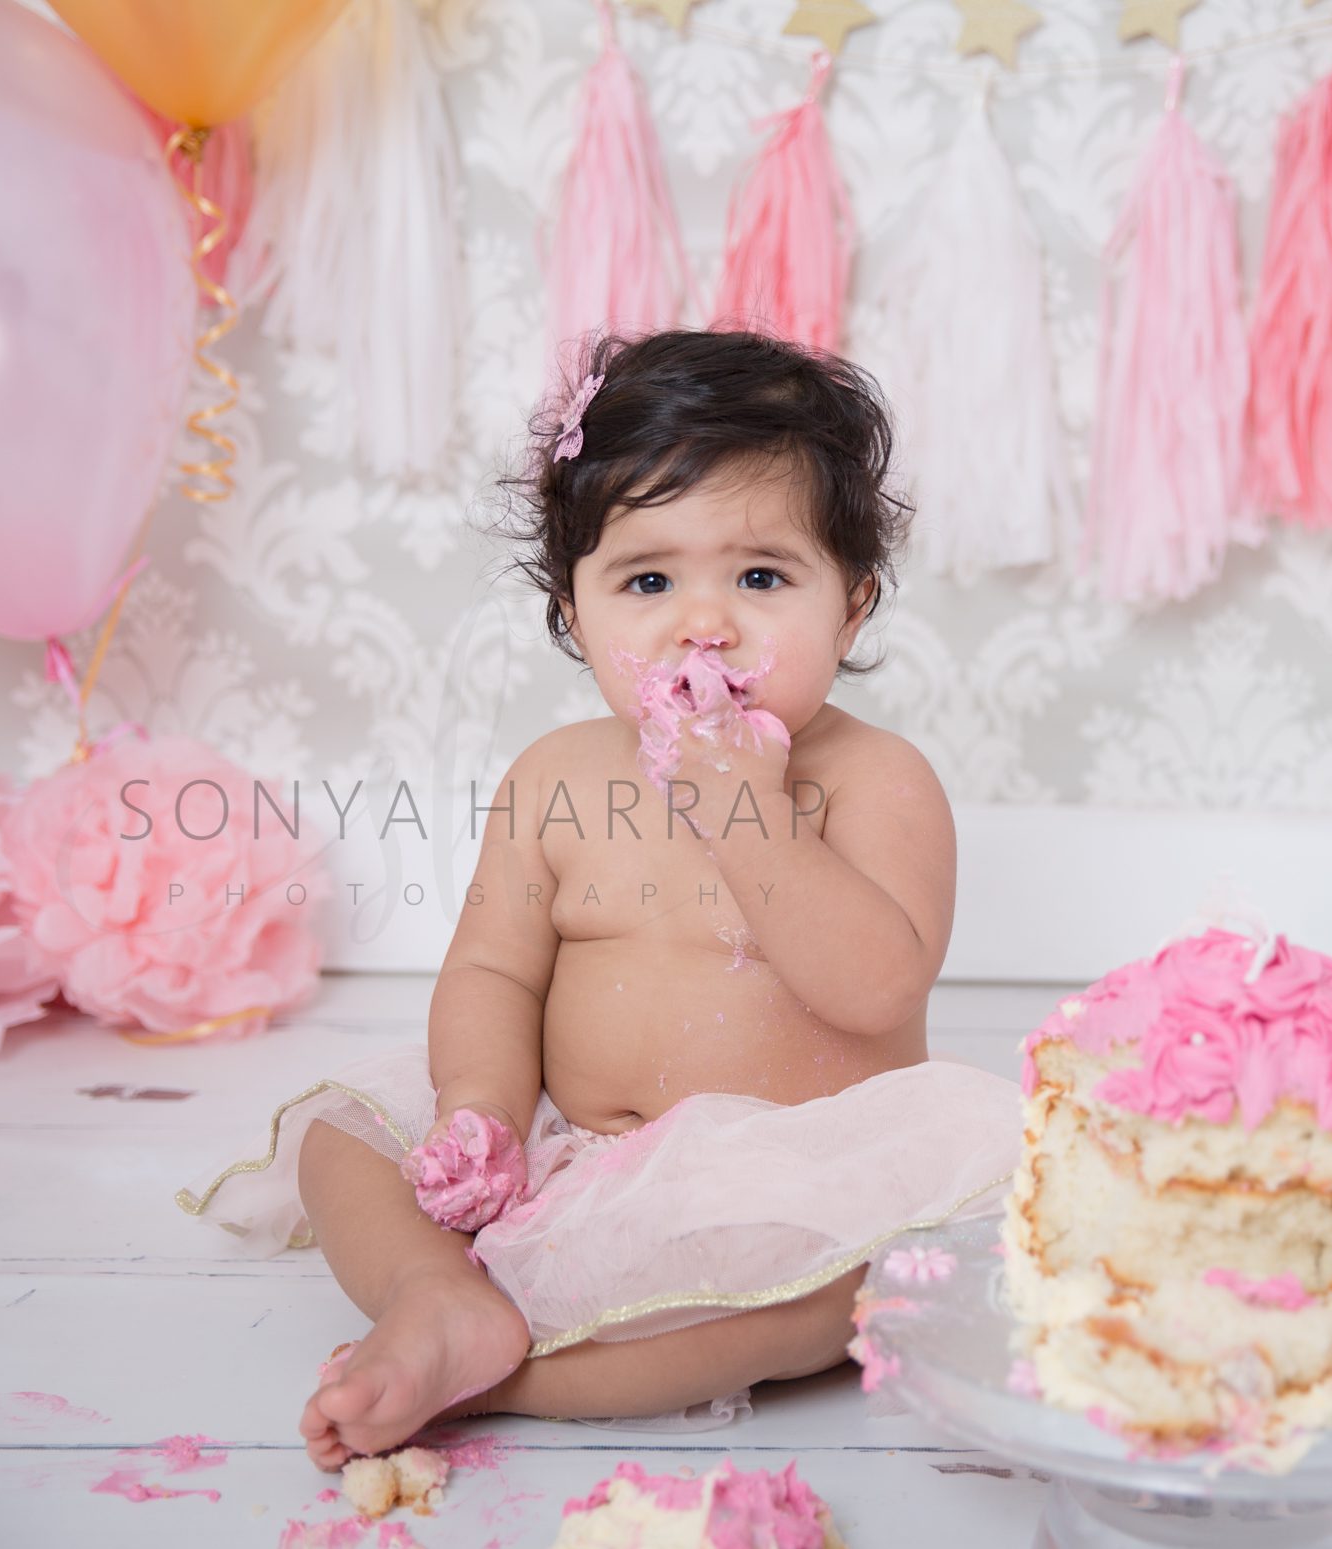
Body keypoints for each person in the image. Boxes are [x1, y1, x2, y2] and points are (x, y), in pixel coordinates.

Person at [177, 330, 1022, 1470]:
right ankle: (437, 1295)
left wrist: (747, 811)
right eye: (648, 580)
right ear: (575, 616)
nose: (704, 623)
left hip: (783, 1184)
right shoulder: (556, 777)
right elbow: (494, 969)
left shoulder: (877, 781)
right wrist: (481, 1110)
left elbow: (876, 989)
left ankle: (506, 1373)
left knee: (837, 1295)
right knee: (344, 1140)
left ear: (852, 607)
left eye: (761, 577)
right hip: (569, 1145)